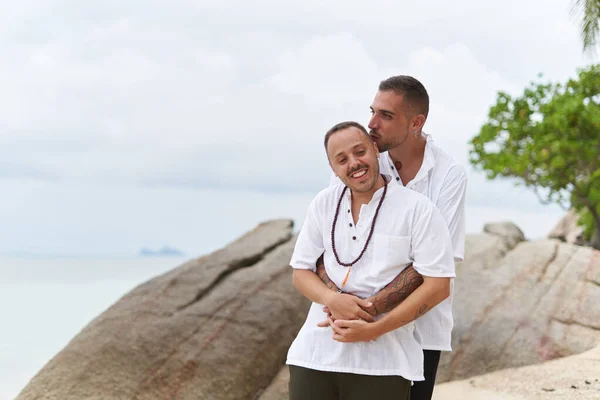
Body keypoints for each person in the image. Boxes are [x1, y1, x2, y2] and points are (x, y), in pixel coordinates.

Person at [317, 75, 467, 400]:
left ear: (416, 122)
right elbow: (326, 242)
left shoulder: (448, 175)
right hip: (345, 323)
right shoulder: (358, 162)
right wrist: (337, 301)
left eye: (386, 116)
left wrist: (366, 311)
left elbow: (433, 266)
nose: (371, 123)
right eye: (372, 111)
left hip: (420, 328)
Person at [286, 121, 456, 400]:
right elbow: (301, 271)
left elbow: (438, 285)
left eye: (359, 152)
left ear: (375, 149)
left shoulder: (418, 209)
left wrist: (374, 329)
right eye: (342, 159)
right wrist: (332, 300)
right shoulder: (324, 203)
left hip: (385, 362)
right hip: (314, 355)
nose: (354, 163)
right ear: (333, 168)